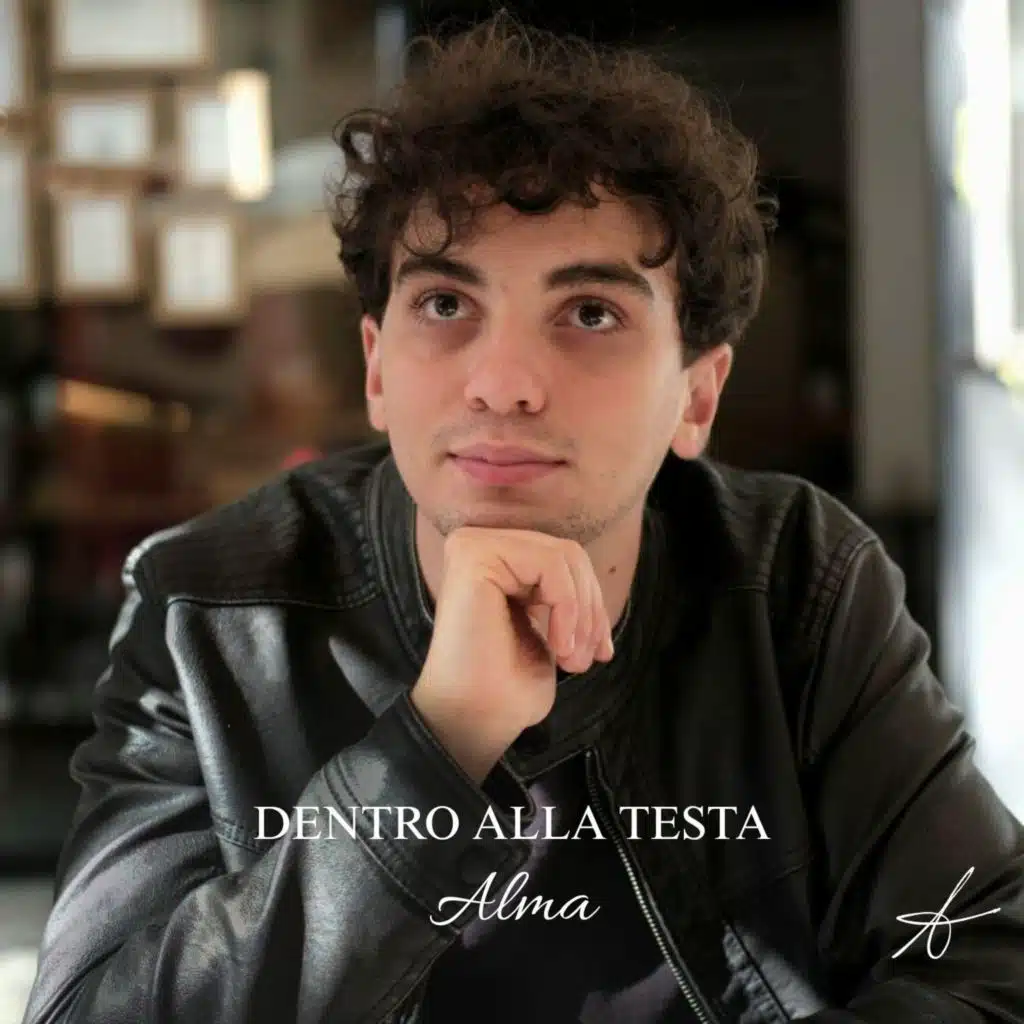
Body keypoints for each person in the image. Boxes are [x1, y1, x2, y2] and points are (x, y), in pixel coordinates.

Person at [22, 13, 1024, 1024]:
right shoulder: (213, 611)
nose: (502, 383)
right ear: (376, 368)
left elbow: (989, 964)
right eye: (445, 306)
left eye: (589, 313)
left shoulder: (795, 581)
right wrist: (435, 743)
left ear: (697, 396)